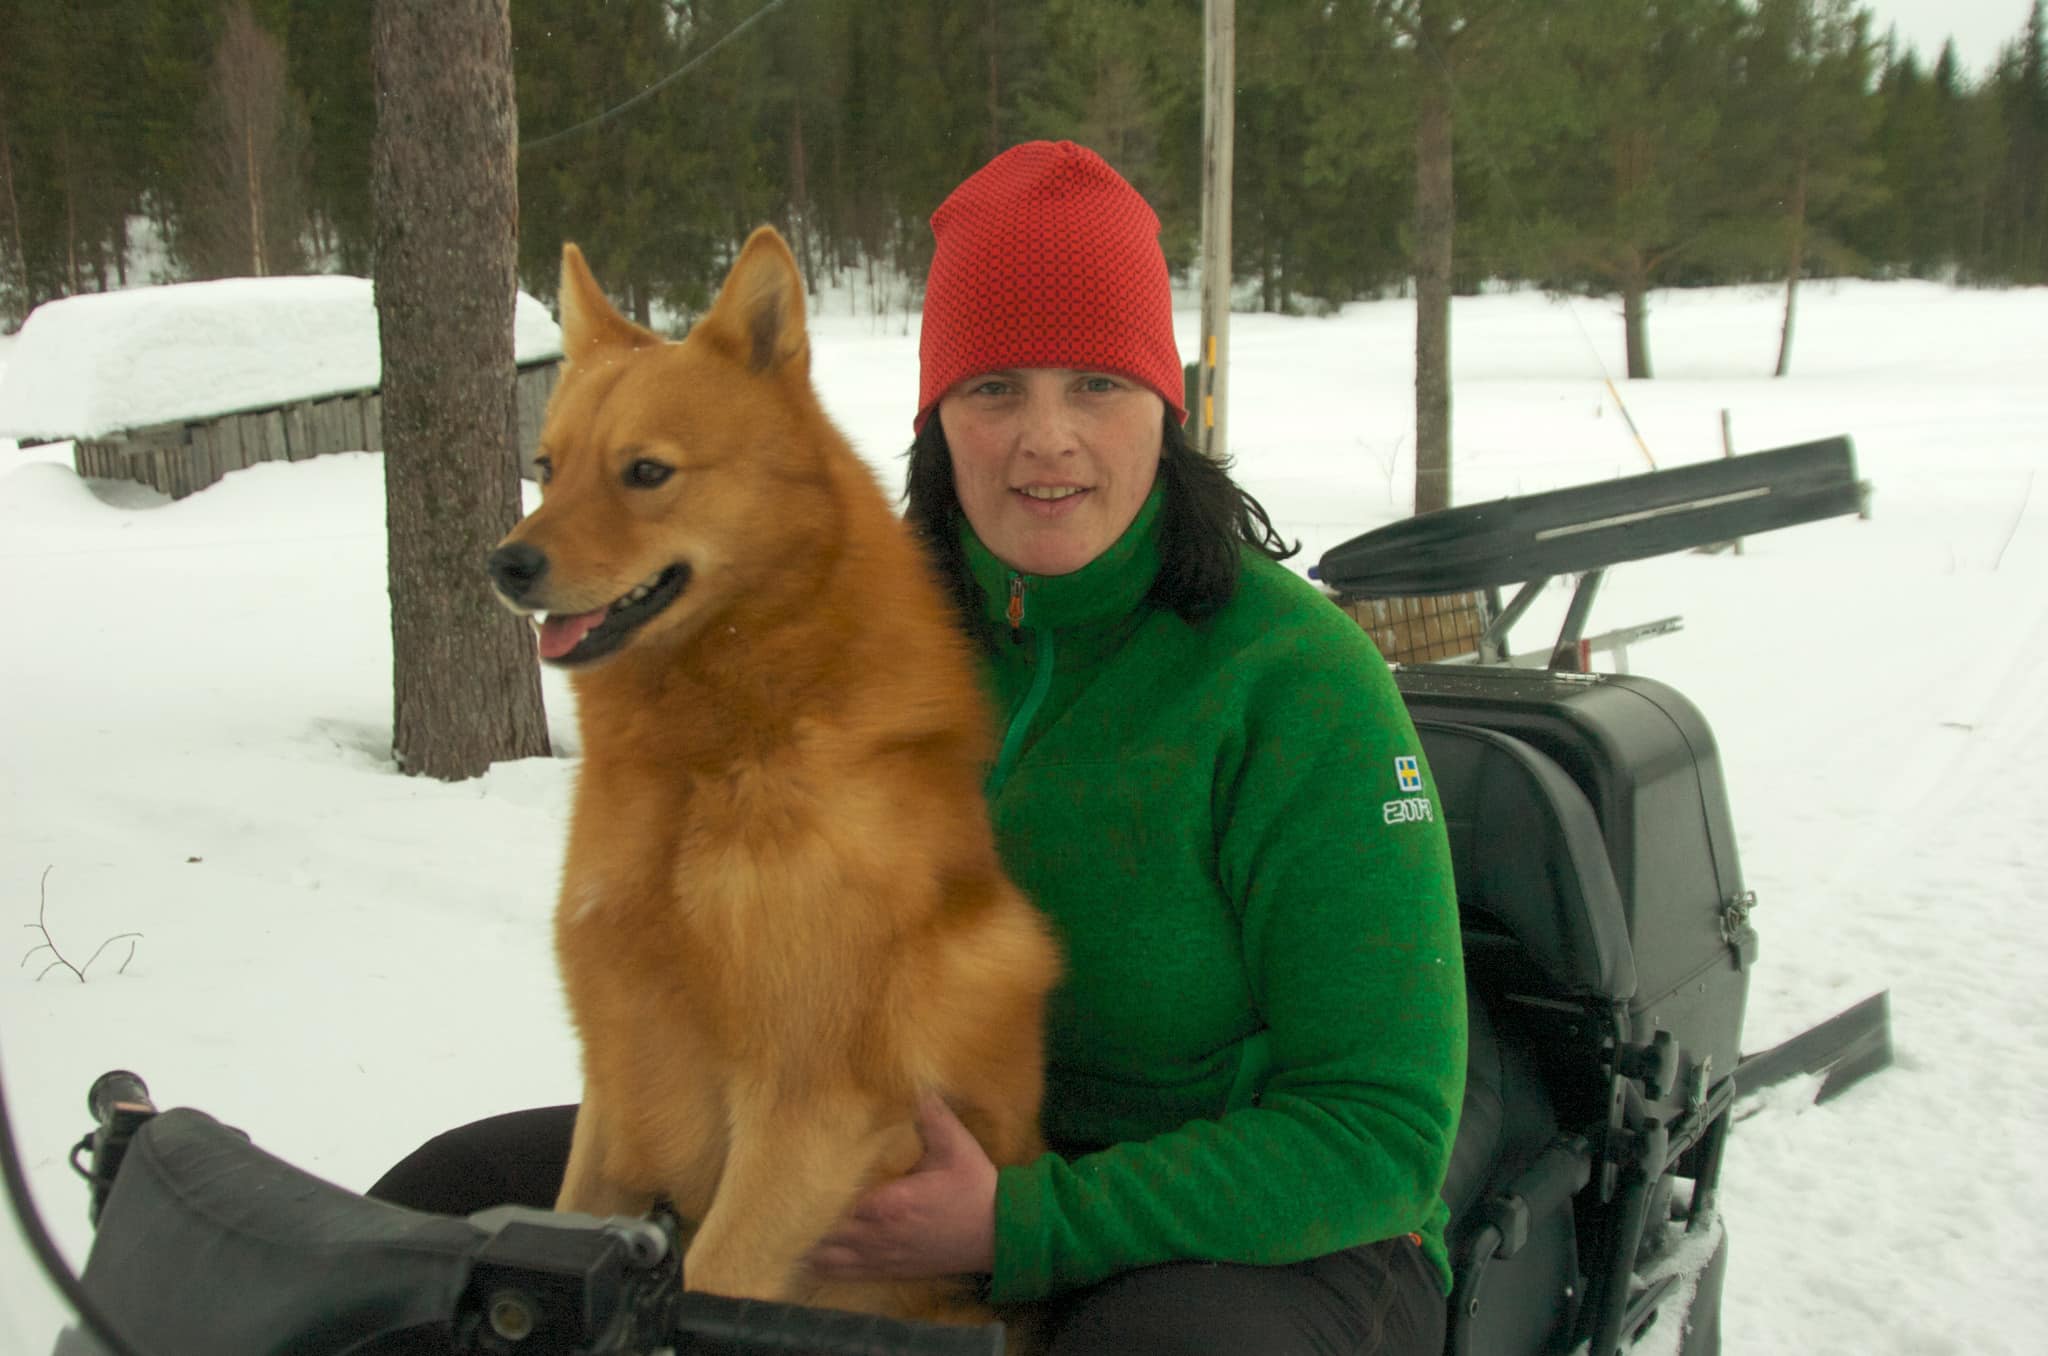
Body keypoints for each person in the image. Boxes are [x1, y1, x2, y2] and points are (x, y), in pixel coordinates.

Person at [370, 141, 1465, 1356]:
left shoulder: (1295, 683)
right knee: (442, 1217)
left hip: (1250, 1230)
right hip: (865, 1131)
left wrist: (1020, 1218)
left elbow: (1378, 1131)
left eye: (1095, 384)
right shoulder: (843, 621)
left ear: (1172, 402)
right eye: (994, 389)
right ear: (937, 416)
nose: (1044, 438)